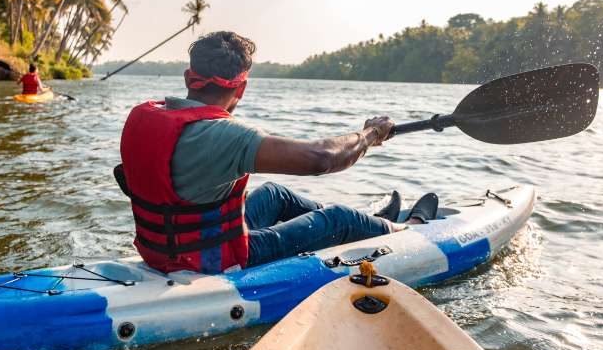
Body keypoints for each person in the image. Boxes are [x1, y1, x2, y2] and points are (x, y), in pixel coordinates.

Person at [116, 31, 439, 274]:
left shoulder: (144, 116)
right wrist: (370, 134)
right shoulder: (225, 135)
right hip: (212, 259)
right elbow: (321, 159)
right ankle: (407, 227)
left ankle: (370, 223)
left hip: (159, 250)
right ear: (241, 88)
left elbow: (129, 177)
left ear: (189, 78)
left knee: (274, 194)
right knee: (337, 218)